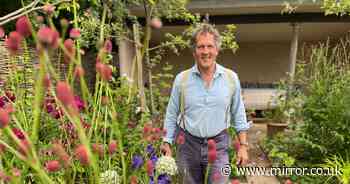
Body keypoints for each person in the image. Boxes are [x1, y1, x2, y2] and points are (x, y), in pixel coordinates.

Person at [161, 23, 250, 184]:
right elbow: (172, 113)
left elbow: (238, 114)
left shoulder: (231, 78)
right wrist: (167, 142)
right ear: (195, 51)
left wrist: (243, 146)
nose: (205, 52)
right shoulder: (182, 79)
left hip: (219, 146)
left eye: (210, 46)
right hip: (187, 147)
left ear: (217, 49)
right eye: (201, 47)